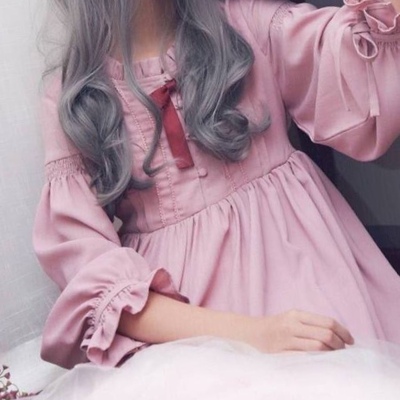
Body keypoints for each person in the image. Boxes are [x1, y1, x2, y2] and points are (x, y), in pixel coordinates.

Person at [32, 0, 400, 397]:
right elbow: (97, 286)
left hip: (308, 270)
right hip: (185, 333)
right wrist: (254, 335)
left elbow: (356, 66)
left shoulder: (245, 24)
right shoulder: (74, 100)